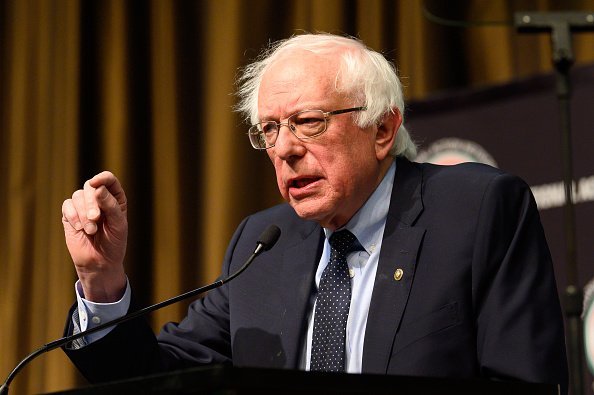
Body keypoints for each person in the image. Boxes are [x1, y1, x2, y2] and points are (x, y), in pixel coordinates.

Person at [61, 33, 568, 392]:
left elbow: (525, 383)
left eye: (307, 122)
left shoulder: (474, 211)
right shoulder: (264, 242)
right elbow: (159, 378)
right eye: (270, 130)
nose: (284, 149)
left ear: (383, 130)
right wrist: (102, 279)